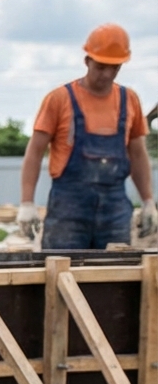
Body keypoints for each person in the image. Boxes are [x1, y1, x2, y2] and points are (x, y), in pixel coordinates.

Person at [18, 24, 155, 250]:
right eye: (101, 67)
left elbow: (138, 154)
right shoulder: (59, 99)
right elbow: (34, 152)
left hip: (115, 210)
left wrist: (148, 201)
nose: (107, 74)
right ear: (87, 61)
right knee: (62, 271)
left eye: (114, 68)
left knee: (115, 276)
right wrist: (26, 203)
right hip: (68, 210)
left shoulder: (129, 100)